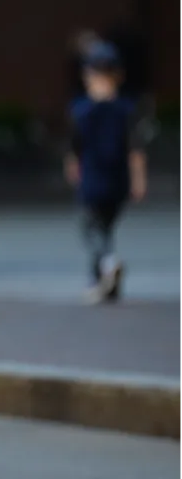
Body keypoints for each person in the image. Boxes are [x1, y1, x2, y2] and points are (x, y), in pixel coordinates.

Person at [64, 41, 147, 303]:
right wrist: (138, 180)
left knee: (92, 228)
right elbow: (135, 150)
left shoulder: (82, 110)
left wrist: (72, 167)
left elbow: (75, 147)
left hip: (94, 176)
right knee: (104, 227)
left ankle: (108, 266)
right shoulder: (127, 109)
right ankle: (102, 281)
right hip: (118, 178)